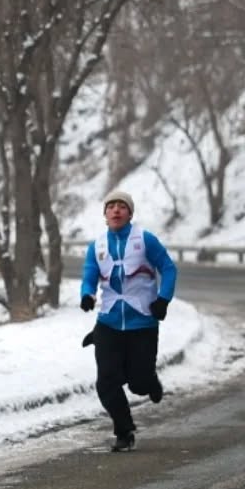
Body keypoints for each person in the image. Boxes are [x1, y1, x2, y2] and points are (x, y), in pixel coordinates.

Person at [80, 188, 177, 452]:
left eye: (122, 206)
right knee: (106, 382)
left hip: (143, 322)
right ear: (105, 214)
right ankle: (124, 431)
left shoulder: (145, 240)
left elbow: (168, 268)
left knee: (138, 383)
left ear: (130, 213)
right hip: (109, 323)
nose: (116, 210)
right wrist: (87, 295)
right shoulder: (97, 246)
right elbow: (89, 275)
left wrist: (163, 299)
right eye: (111, 206)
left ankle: (150, 381)